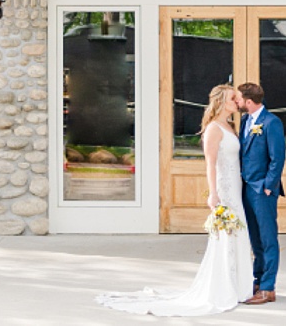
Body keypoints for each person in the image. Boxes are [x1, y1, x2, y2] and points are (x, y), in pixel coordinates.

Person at [97, 84, 254, 316]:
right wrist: (213, 193)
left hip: (237, 187)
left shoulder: (230, 126)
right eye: (233, 99)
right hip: (225, 188)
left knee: (239, 232)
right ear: (221, 102)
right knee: (226, 235)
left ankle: (240, 286)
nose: (237, 103)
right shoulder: (213, 129)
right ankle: (224, 286)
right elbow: (210, 164)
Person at [236, 81, 286, 305]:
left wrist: (268, 185)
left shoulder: (271, 122)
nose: (236, 102)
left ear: (248, 101)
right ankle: (257, 282)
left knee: (267, 239)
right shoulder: (246, 120)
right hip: (246, 188)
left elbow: (278, 157)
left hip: (262, 190)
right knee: (254, 239)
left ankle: (268, 288)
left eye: (238, 98)